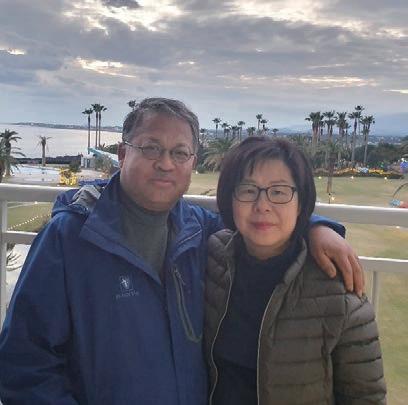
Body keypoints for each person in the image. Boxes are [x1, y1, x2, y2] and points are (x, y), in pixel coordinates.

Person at [0, 98, 362, 405]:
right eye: (151, 148)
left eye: (179, 152)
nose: (166, 163)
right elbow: (24, 364)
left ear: (192, 162)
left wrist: (316, 227)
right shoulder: (69, 238)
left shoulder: (201, 230)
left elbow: (258, 218)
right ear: (123, 154)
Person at [204, 137, 386, 405]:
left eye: (279, 192)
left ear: (301, 204)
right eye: (248, 190)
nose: (262, 205)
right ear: (230, 199)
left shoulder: (338, 288)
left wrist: (318, 227)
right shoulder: (211, 257)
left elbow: (365, 397)